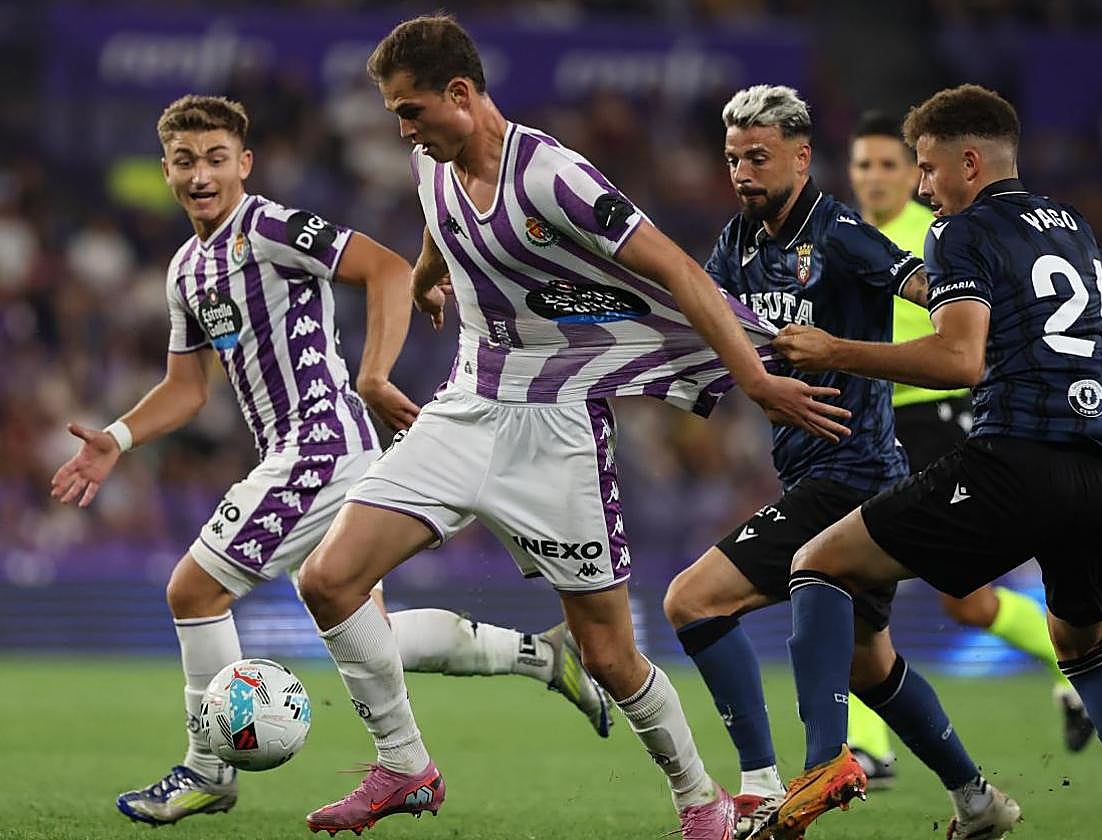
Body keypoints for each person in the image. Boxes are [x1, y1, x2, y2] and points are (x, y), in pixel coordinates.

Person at [294, 16, 854, 840]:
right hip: (465, 410)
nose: (402, 129)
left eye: (411, 110)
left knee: (607, 655)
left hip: (556, 431)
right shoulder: (430, 160)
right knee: (327, 579)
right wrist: (425, 276)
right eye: (395, 114)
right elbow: (440, 220)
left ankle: (701, 803)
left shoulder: (553, 176)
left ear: (461, 93)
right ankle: (405, 766)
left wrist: (753, 377)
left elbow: (676, 268)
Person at [49, 94, 611, 828]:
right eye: (185, 161)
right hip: (306, 452)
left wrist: (373, 375)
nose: (201, 175)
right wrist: (117, 439)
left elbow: (385, 269)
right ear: (165, 171)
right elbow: (186, 388)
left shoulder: (270, 228)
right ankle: (542, 655)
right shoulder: (187, 269)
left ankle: (208, 769)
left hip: (318, 445)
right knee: (367, 631)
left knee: (193, 590)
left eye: (216, 159)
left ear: (245, 164)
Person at [767, 84, 1102, 840]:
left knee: (819, 564)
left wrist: (834, 351)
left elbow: (960, 361)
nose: (923, 186)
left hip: (1017, 455)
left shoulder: (958, 232)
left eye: (929, 169)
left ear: (970, 163)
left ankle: (828, 762)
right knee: (1085, 648)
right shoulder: (1072, 223)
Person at [661, 85, 1019, 840]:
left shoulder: (843, 234)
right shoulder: (736, 244)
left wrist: (999, 302)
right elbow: (706, 325)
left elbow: (927, 287)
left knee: (692, 601)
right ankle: (977, 800)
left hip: (851, 474)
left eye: (759, 157)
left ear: (801, 157)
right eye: (733, 158)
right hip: (821, 474)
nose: (743, 173)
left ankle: (761, 787)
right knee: (868, 665)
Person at [842, 110, 1096, 781]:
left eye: (890, 165)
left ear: (915, 174)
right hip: (869, 421)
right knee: (843, 574)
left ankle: (1073, 666)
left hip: (941, 418)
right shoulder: (840, 239)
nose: (875, 177)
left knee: (965, 602)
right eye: (864, 165)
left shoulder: (939, 234)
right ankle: (867, 744)